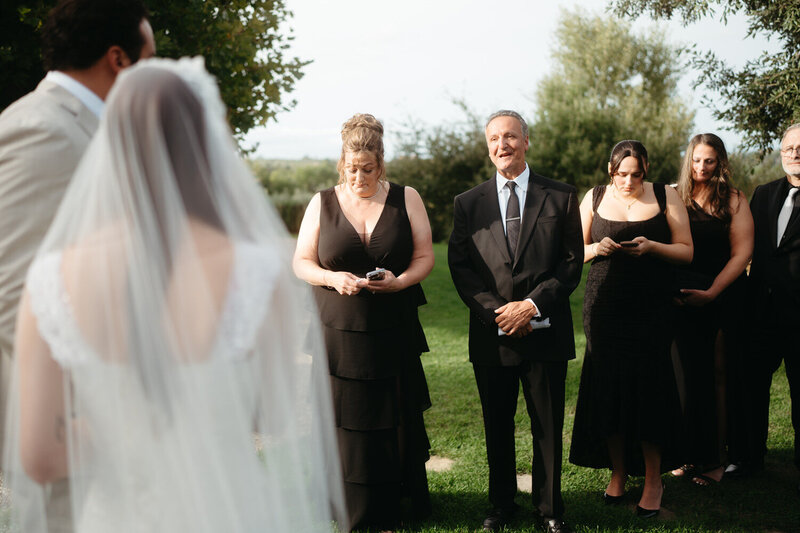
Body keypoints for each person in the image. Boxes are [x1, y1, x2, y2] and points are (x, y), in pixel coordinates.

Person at [3, 57, 346, 533]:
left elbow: (40, 457)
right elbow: (273, 414)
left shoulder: (50, 280)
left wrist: (121, 427)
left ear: (109, 145)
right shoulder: (256, 271)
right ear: (204, 142)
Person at [0, 1, 154, 529]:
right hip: (65, 416)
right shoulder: (42, 130)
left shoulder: (87, 129)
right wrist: (79, 411)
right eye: (149, 59)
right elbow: (13, 291)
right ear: (118, 58)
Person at [293, 113, 434, 531]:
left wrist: (400, 282)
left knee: (392, 414)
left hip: (393, 327)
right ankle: (342, 501)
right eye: (352, 168)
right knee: (344, 417)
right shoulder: (321, 202)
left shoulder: (407, 198)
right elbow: (301, 262)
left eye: (368, 169)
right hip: (339, 333)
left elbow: (425, 256)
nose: (359, 177)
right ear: (342, 163)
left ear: (381, 163)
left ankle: (392, 503)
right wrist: (331, 278)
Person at [448, 110, 582, 533]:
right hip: (493, 336)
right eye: (494, 138)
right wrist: (499, 314)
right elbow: (461, 267)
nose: (501, 145)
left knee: (547, 426)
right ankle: (501, 505)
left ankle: (550, 510)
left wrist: (531, 305)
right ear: (487, 146)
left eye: (509, 136)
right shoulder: (468, 203)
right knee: (497, 426)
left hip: (545, 331)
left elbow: (571, 262)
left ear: (527, 140)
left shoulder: (560, 196)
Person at [569, 140, 692, 518]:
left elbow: (686, 250)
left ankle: (654, 479)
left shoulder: (666, 195)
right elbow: (571, 252)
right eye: (621, 174)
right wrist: (597, 248)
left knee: (649, 391)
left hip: (651, 309)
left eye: (636, 175)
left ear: (646, 171)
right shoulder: (594, 197)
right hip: (604, 309)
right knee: (609, 390)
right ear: (611, 171)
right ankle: (618, 472)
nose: (628, 182)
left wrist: (653, 246)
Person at [670, 133, 754, 486]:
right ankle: (687, 453)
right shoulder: (673, 195)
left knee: (718, 375)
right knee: (685, 377)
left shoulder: (734, 199)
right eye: (696, 160)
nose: (701, 167)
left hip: (723, 296)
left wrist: (712, 293)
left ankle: (716, 458)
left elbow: (742, 253)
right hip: (681, 300)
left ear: (720, 162)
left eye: (709, 160)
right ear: (688, 160)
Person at [748, 122, 800, 493]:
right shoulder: (764, 194)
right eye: (789, 148)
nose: (795, 154)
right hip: (760, 312)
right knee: (751, 388)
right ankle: (749, 458)